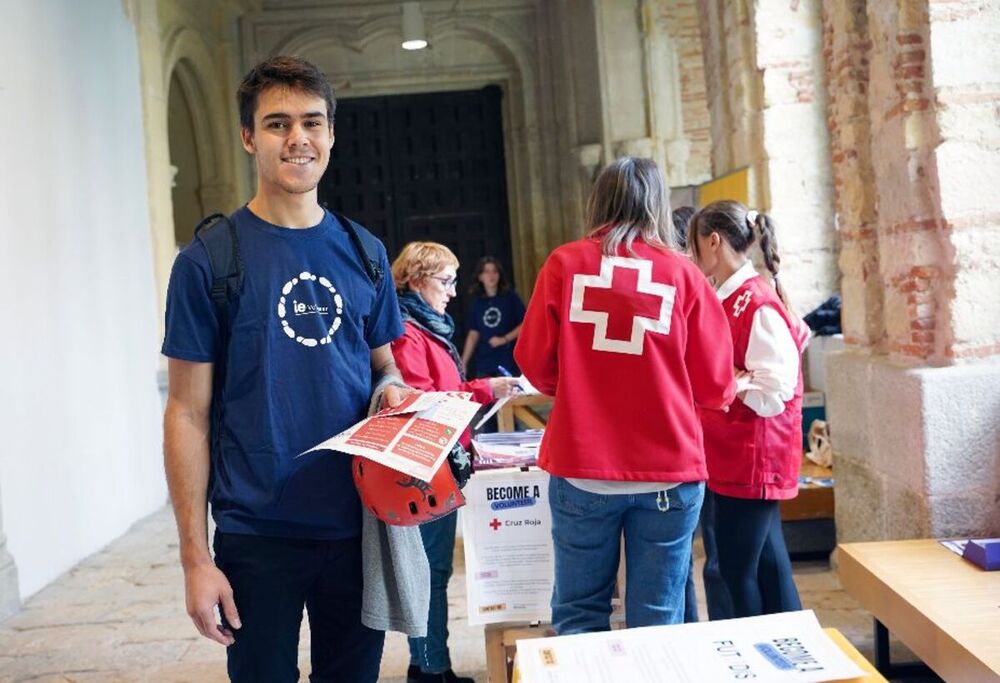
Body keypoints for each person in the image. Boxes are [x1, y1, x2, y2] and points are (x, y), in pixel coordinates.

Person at [162, 56, 419, 683]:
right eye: (277, 124)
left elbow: (386, 366)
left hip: (357, 525)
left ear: (331, 134)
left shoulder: (365, 251)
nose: (297, 139)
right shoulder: (208, 262)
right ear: (250, 137)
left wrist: (392, 393)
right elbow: (187, 413)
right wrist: (196, 559)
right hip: (257, 535)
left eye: (312, 122)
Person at [514, 157, 737, 634]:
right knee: (657, 619)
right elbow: (717, 386)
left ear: (599, 200)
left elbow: (533, 364)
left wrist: (579, 387)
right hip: (668, 471)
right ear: (659, 203)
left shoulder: (564, 265)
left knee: (578, 613)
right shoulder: (684, 275)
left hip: (583, 467)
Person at [389, 242, 520, 683]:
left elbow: (449, 387)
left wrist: (486, 388)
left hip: (441, 462)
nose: (451, 291)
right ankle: (429, 670)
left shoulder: (430, 326)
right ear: (414, 279)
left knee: (436, 570)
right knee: (428, 571)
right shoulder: (407, 332)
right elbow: (422, 402)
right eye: (444, 281)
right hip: (424, 467)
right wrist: (480, 391)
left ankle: (428, 663)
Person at [688, 200, 810, 618]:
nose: (691, 256)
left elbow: (776, 388)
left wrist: (731, 380)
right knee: (769, 566)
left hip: (753, 453)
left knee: (739, 571)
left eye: (694, 245)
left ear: (714, 241)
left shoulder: (755, 301)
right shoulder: (732, 296)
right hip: (732, 449)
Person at [460, 256, 526, 378]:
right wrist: (463, 362)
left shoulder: (511, 298)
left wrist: (505, 339)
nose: (491, 275)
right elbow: (473, 334)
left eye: (494, 271)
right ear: (480, 277)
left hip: (508, 360)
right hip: (485, 362)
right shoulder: (477, 303)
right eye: (487, 271)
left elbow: (525, 324)